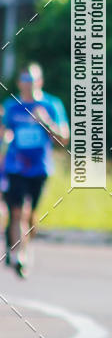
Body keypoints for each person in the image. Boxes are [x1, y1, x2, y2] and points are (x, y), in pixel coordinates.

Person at [1, 63, 69, 277]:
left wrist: (46, 122)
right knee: (18, 211)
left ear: (40, 81)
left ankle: (20, 245)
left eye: (32, 80)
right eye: (25, 80)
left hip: (40, 167)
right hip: (15, 166)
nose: (28, 85)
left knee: (30, 216)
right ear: (19, 83)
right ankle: (20, 254)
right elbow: (3, 133)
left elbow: (63, 139)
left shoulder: (51, 105)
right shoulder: (12, 106)